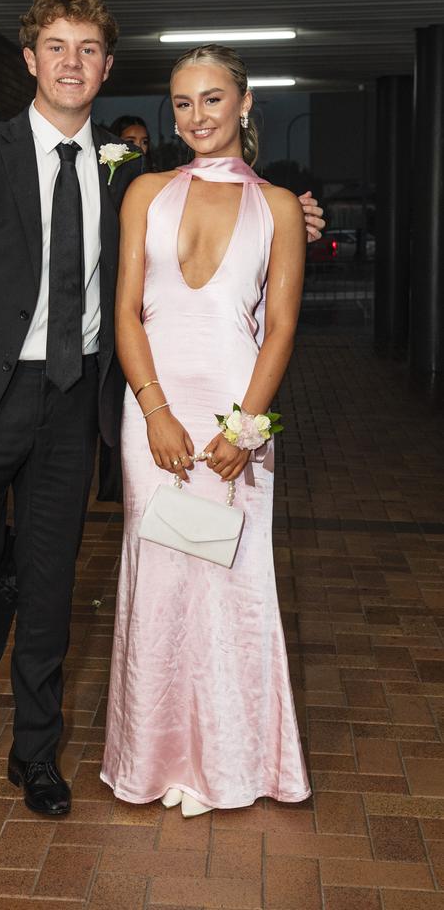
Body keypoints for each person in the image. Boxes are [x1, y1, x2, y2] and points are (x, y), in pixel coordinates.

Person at [0, 0, 323, 828]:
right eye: (55, 47)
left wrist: (297, 216)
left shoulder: (128, 171)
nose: (70, 63)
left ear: (105, 68)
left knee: (53, 590)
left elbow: (204, 217)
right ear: (29, 60)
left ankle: (35, 756)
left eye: (87, 49)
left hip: (71, 404)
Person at [101, 44, 311, 817]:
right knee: (157, 578)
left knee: (232, 583)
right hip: (152, 410)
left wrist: (247, 430)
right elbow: (126, 311)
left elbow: (282, 328)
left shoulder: (280, 206)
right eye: (183, 103)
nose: (197, 117)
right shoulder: (145, 192)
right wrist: (154, 410)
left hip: (235, 414)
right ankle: (153, 757)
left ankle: (230, 760)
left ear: (245, 103)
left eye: (213, 99)